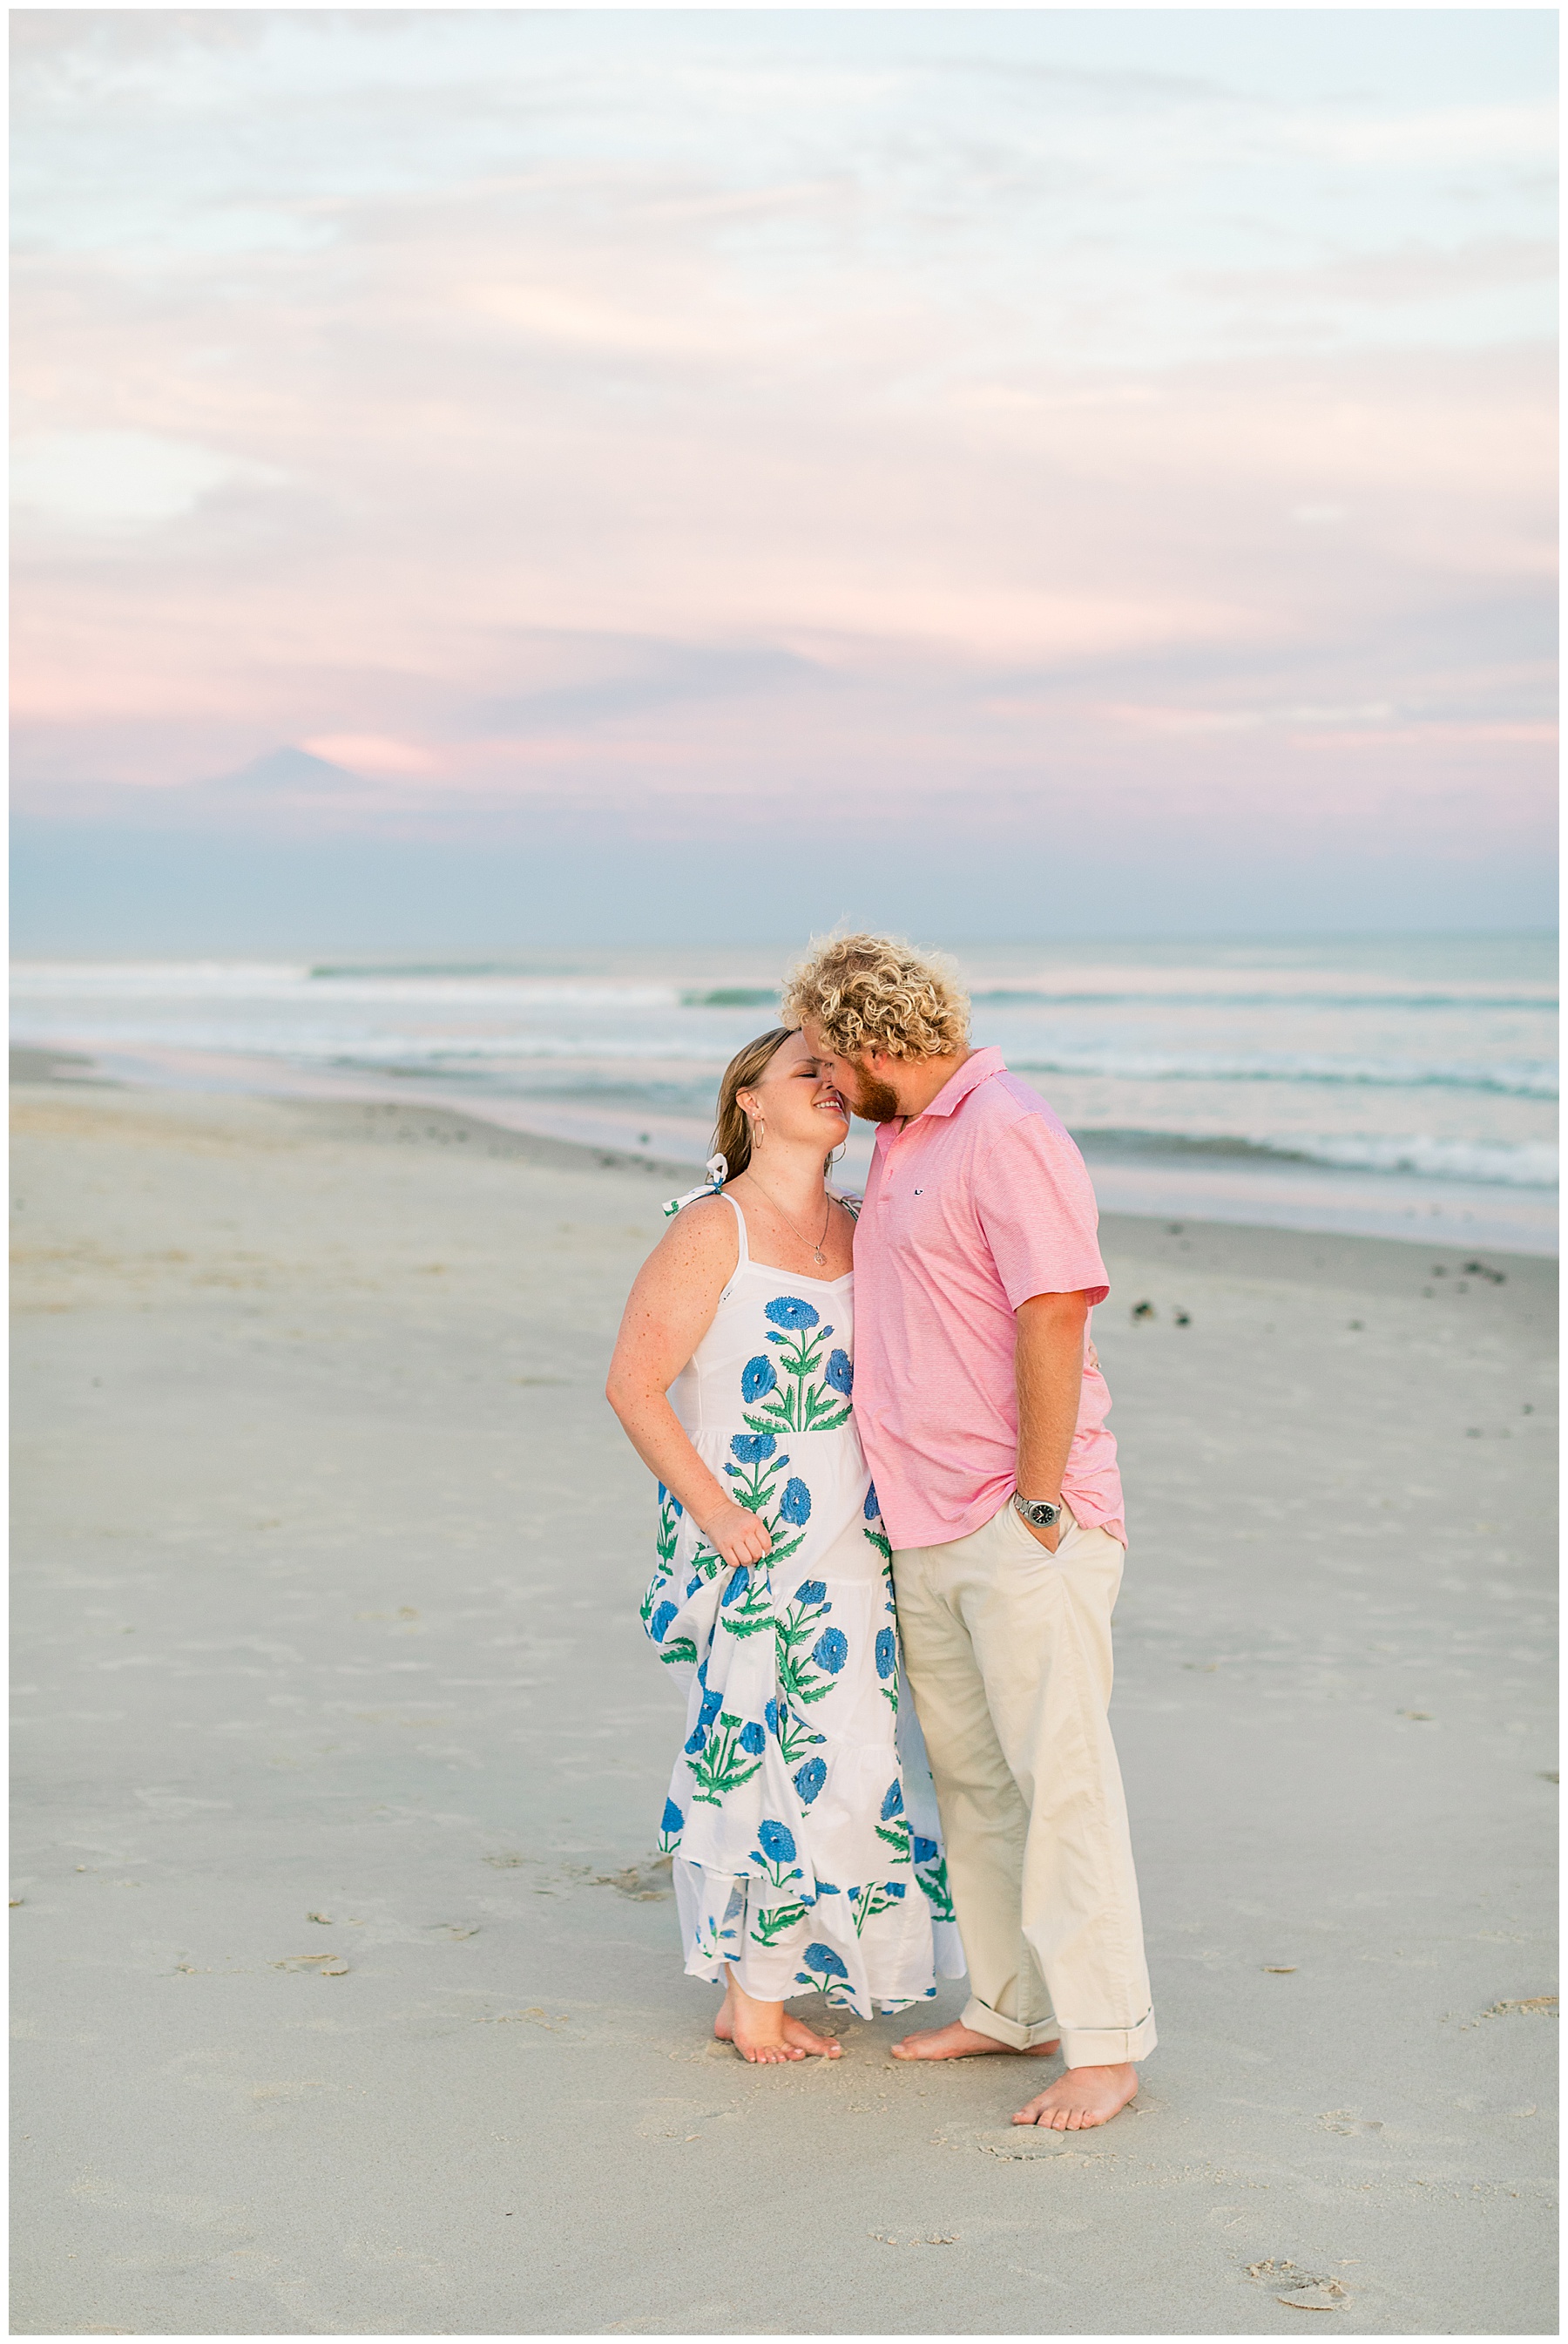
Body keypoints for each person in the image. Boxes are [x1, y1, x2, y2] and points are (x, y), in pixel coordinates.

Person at [783, 934, 1155, 2131]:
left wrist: (1038, 1497)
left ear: (882, 1040)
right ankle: (1010, 2004)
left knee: (1063, 1782)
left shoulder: (1009, 1127)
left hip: (1019, 1517)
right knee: (976, 1782)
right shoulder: (900, 1140)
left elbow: (1054, 1311)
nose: (831, 1082)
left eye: (836, 1058)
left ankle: (1104, 2044)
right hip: (921, 1520)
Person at [605, 1026, 963, 2064]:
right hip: (750, 1529)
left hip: (856, 1527)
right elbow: (635, 1386)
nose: (827, 1080)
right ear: (748, 1102)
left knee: (851, 1749)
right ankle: (750, 1992)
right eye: (801, 1068)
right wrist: (718, 1513)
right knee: (755, 1748)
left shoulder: (864, 1226)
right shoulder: (710, 1229)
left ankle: (769, 1974)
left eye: (834, 1069)